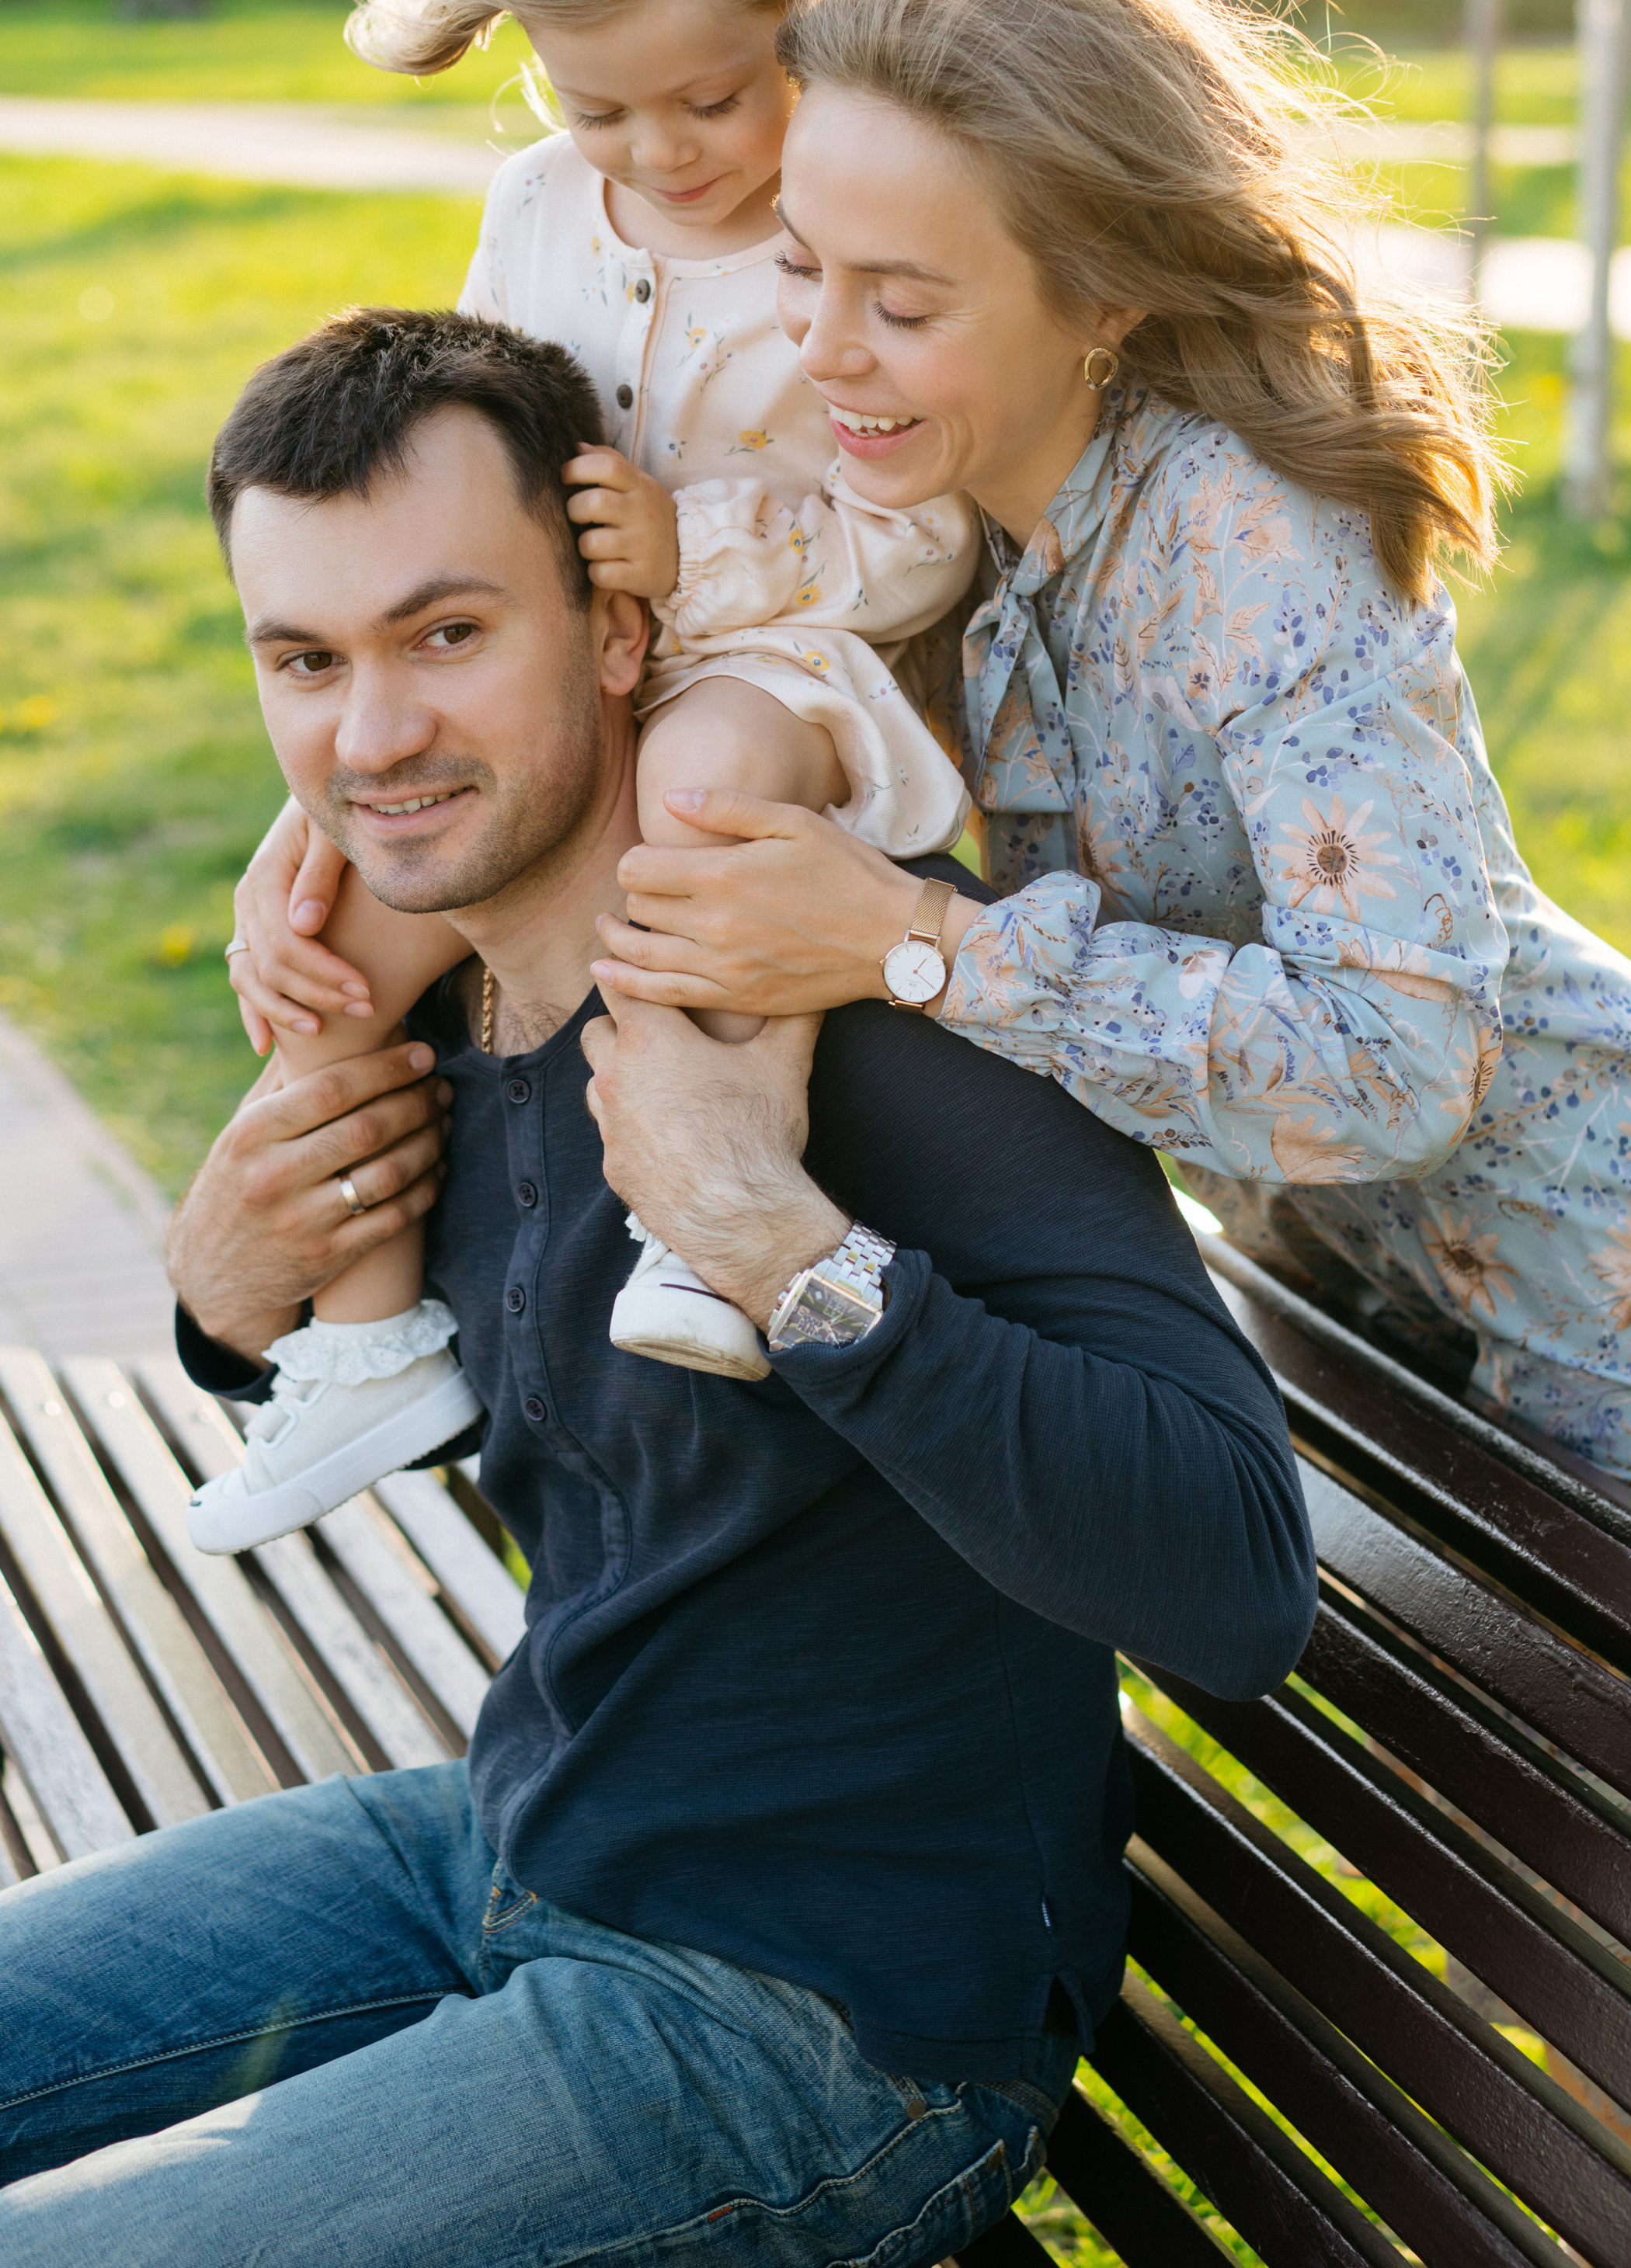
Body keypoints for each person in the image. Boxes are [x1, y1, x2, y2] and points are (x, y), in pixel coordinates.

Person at [0, 309, 1316, 2266]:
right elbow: (480, 1369)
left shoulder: (862, 995)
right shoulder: (432, 994)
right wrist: (221, 1297)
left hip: (825, 2017)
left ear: (619, 630)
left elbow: (1230, 1573)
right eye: (308, 658)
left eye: (448, 634)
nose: (370, 736)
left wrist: (770, 1235)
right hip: (511, 1841)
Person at [562, 0, 1631, 1580]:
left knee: (1570, 1838)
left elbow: (1396, 1061)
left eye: (901, 300)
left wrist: (918, 947)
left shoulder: (1252, 533)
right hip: (1330, 1272)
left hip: (1624, 1288)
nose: (819, 351)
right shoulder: (947, 515)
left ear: (1097, 294)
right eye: (802, 268)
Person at [206, 0, 979, 1552]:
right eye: (595, 100)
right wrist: (305, 820)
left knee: (702, 807)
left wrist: (688, 548)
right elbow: (448, 466)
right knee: (328, 933)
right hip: (551, 670)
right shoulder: (539, 205)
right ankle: (373, 1328)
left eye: (710, 95)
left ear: (801, 10)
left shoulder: (844, 223)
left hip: (779, 668)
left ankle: (717, 1215)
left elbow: (925, 532)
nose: (657, 148)